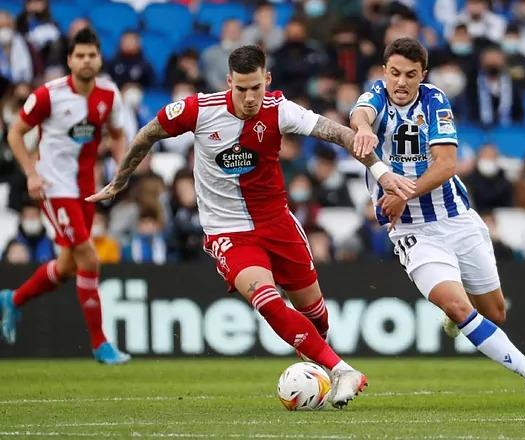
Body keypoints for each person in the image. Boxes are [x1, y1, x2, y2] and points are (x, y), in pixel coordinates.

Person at [86, 45, 415, 408]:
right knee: (268, 302)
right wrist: (120, 180)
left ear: (267, 80)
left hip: (277, 223)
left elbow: (337, 134)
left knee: (316, 313)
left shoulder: (279, 110)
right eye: (241, 89)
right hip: (228, 231)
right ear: (229, 82)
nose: (249, 97)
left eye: (255, 88)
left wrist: (382, 172)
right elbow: (148, 133)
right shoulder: (199, 110)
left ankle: (319, 373)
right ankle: (342, 370)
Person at [350, 37, 525, 405]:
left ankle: (454, 317)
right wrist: (363, 128)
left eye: (410, 75)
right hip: (413, 232)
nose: (401, 82)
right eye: (394, 73)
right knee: (461, 307)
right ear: (384, 72)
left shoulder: (434, 101)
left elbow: (446, 165)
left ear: (422, 75)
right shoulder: (376, 98)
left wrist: (401, 193)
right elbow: (359, 115)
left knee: (495, 314)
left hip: (456, 218)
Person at [0, 29, 130, 364]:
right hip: (54, 187)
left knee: (68, 264)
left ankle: (13, 299)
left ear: (99, 58)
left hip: (87, 190)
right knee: (88, 258)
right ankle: (100, 344)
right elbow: (15, 132)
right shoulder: (48, 95)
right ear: (70, 60)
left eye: (92, 55)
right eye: (80, 55)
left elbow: (117, 135)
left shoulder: (108, 94)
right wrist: (30, 172)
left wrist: (121, 169)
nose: (87, 61)